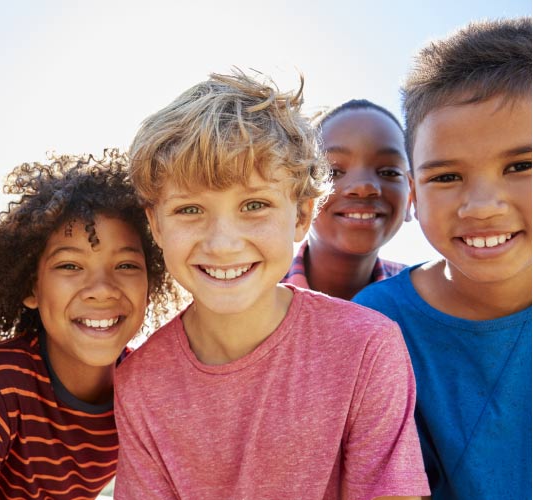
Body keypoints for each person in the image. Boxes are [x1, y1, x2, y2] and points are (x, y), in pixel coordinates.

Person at [114, 71, 430, 499]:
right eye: (189, 209)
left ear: (301, 215)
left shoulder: (367, 347)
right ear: (155, 224)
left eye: (255, 205)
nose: (223, 244)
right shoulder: (139, 382)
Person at [0, 150, 179, 500]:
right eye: (70, 266)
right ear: (31, 288)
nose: (102, 289)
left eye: (127, 266)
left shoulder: (146, 388)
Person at [353, 18, 531, 500]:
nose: (482, 206)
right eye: (446, 177)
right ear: (412, 194)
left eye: (521, 166)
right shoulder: (376, 326)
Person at [282, 99, 410, 299]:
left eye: (389, 172)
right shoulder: (253, 295)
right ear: (300, 195)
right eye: (332, 171)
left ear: (412, 195)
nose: (363, 187)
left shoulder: (428, 302)